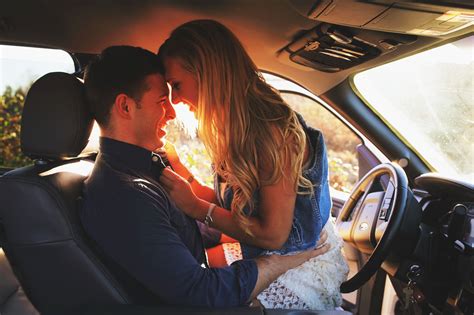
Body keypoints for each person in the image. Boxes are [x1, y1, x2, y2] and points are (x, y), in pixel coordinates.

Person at [79, 45, 330, 308]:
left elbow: (191, 235)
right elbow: (202, 293)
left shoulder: (146, 167)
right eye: (162, 102)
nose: (173, 112)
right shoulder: (126, 194)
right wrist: (279, 263)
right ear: (125, 106)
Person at [157, 20, 349, 310]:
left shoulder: (274, 133)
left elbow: (273, 234)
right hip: (267, 253)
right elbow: (234, 208)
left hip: (296, 266)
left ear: (208, 72)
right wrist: (186, 180)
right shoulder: (234, 131)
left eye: (177, 85)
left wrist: (195, 207)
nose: (176, 100)